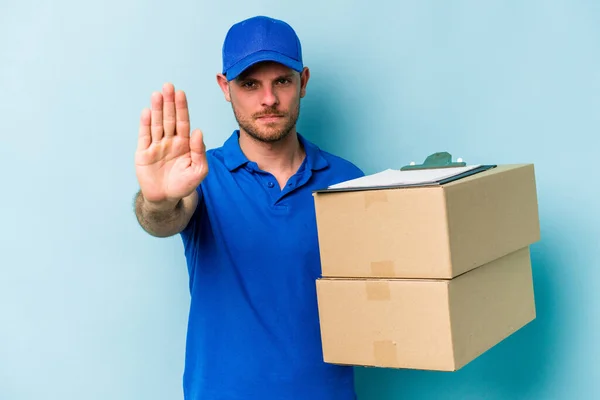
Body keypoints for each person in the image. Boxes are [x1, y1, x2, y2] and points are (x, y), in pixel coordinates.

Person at [133, 15, 364, 400]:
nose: (268, 100)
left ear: (303, 82)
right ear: (225, 87)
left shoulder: (349, 181)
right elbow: (164, 219)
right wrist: (158, 199)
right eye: (250, 84)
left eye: (282, 82)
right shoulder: (199, 176)